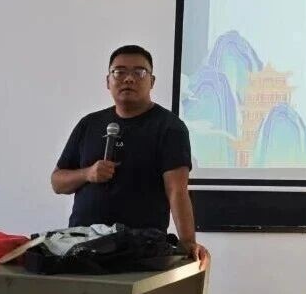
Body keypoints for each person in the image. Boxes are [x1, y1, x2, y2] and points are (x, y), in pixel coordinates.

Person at [51, 44, 209, 267]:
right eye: (119, 72)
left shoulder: (169, 127)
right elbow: (57, 182)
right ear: (108, 81)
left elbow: (177, 190)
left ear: (152, 81)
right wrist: (87, 174)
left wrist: (188, 242)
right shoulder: (89, 124)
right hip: (83, 247)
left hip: (139, 251)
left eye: (139, 72)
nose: (128, 79)